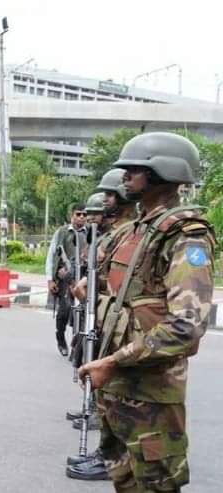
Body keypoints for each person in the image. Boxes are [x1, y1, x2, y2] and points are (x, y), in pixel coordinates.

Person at [78, 132, 215, 492]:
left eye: (134, 169)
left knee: (155, 486)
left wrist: (114, 362)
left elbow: (186, 326)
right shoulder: (138, 230)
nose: (124, 177)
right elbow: (128, 298)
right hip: (119, 387)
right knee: (124, 480)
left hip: (151, 394)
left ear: (162, 173)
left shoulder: (186, 235)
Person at [66, 168, 138, 481]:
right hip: (107, 317)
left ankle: (114, 457)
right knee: (109, 393)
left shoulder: (132, 233)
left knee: (120, 399)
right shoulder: (117, 234)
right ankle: (108, 453)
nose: (96, 213)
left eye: (108, 197)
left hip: (121, 323)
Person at [46, 203, 87, 356]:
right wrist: (50, 279)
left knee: (83, 314)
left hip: (83, 279)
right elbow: (51, 256)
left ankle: (77, 345)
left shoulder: (90, 233)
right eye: (78, 214)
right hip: (64, 280)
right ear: (72, 216)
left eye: (84, 214)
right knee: (64, 311)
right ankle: (60, 339)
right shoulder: (62, 232)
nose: (81, 217)